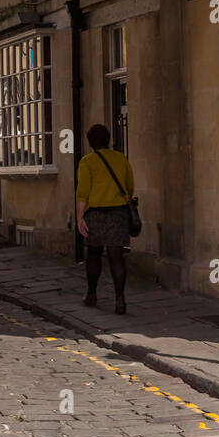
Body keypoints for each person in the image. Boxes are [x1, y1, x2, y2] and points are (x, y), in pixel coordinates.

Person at [75, 123, 135, 316]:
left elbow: (82, 193)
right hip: (118, 214)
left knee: (93, 255)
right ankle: (120, 299)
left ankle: (91, 294)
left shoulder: (87, 162)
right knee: (116, 256)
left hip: (96, 215)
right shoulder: (121, 159)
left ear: (90, 142)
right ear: (108, 140)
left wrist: (79, 218)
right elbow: (129, 186)